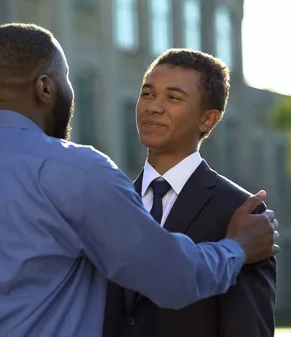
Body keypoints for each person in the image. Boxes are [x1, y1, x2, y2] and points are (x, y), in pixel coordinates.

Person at [0, 23, 279, 337]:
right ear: (46, 87)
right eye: (66, 79)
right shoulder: (75, 172)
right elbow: (171, 276)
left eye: (173, 98)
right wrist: (236, 249)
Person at [102, 49, 277, 337]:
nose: (153, 107)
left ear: (208, 119)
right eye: (147, 94)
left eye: (173, 98)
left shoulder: (241, 213)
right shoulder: (109, 203)